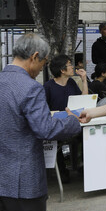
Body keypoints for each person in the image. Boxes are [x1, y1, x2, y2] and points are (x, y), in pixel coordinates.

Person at [0, 33, 81, 211]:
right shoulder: (31, 87)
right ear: (34, 56)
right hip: (23, 183)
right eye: (43, 63)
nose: (40, 70)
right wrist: (72, 121)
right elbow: (46, 128)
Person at [44, 54, 88, 182]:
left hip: (73, 123)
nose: (72, 67)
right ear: (62, 70)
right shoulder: (48, 87)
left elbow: (83, 101)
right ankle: (63, 173)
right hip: (57, 125)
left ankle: (83, 168)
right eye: (69, 65)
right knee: (61, 143)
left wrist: (84, 80)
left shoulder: (71, 83)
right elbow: (44, 110)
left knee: (85, 136)